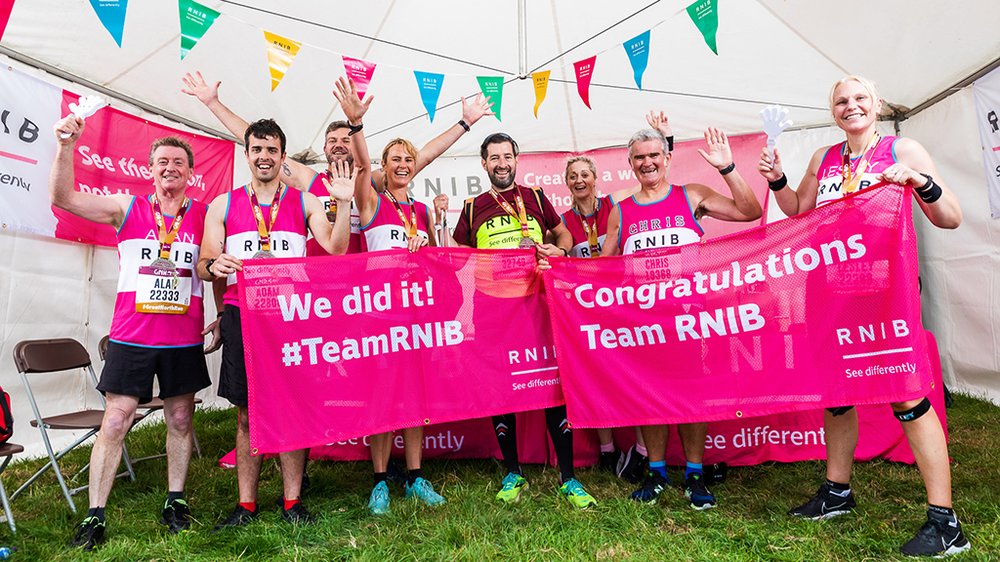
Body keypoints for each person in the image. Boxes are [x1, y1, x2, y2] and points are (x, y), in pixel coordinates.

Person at [757, 75, 968, 557]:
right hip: (830, 296)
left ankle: (945, 522)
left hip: (884, 296)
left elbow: (951, 216)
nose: (850, 106)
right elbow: (798, 212)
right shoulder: (825, 158)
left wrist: (921, 182)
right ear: (833, 112)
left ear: (876, 105)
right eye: (840, 101)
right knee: (836, 395)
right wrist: (776, 179)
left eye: (859, 99)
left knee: (906, 398)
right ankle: (837, 492)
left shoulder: (903, 148)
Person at [50, 116, 219, 549]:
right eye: (162, 161)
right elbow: (64, 198)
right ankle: (95, 515)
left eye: (179, 163)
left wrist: (219, 315)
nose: (170, 168)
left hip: (182, 339)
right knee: (115, 421)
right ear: (150, 169)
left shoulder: (203, 215)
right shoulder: (127, 208)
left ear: (190, 172)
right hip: (132, 338)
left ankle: (176, 500)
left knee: (181, 419)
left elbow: (215, 267)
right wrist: (67, 146)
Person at [198, 118, 355, 529]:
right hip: (243, 316)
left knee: (291, 408)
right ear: (246, 154)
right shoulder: (223, 205)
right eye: (257, 149)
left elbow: (337, 249)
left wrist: (344, 202)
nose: (264, 157)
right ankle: (246, 506)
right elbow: (203, 265)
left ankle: (292, 502)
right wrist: (215, 264)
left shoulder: (305, 202)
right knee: (247, 414)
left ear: (283, 157)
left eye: (272, 150)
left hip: (290, 319)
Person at [602, 125, 762, 510]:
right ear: (630, 164)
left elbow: (750, 211)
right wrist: (560, 267)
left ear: (667, 158)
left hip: (693, 319)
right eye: (639, 158)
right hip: (645, 324)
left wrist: (727, 169)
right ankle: (656, 471)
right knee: (650, 395)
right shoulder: (621, 211)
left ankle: (694, 472)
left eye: (654, 155)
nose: (647, 163)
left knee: (693, 395)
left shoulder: (691, 196)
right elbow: (602, 269)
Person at [182, 70, 492, 256]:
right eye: (333, 141)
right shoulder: (310, 180)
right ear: (325, 149)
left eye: (346, 139)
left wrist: (464, 123)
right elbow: (259, 144)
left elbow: (423, 155)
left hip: (362, 282)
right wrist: (213, 104)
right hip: (318, 280)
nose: (340, 144)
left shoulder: (370, 181)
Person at [451, 133, 597, 509]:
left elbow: (562, 234)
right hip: (493, 310)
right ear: (483, 164)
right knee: (501, 386)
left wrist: (559, 248)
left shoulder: (534, 198)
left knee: (550, 383)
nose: (502, 163)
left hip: (535, 304)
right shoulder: (472, 207)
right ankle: (513, 472)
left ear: (517, 160)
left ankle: (569, 478)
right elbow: (459, 254)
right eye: (494, 157)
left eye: (507, 156)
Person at [332, 76, 455, 514]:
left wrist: (432, 239)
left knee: (415, 398)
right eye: (395, 159)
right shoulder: (371, 202)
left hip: (415, 317)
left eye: (409, 159)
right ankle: (381, 481)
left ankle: (417, 478)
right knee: (384, 398)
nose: (403, 164)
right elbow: (363, 167)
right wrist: (357, 125)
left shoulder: (420, 210)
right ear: (385, 166)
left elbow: (438, 263)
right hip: (379, 319)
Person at [558, 155, 649, 480]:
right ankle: (608, 451)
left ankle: (642, 450)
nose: (579, 180)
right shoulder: (565, 220)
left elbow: (650, 186)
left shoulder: (616, 204)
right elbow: (565, 248)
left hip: (623, 304)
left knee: (636, 374)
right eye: (573, 176)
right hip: (587, 310)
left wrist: (666, 142)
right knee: (597, 378)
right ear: (567, 182)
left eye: (585, 174)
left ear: (596, 178)